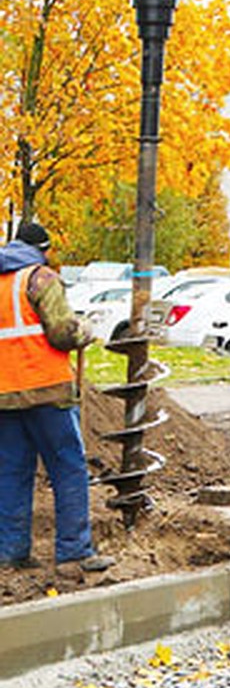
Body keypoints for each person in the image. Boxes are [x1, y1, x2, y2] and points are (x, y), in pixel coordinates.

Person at [0, 221, 113, 574]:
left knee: (12, 473)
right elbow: (62, 333)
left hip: (5, 394)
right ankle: (74, 554)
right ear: (43, 249)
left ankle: (11, 553)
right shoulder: (40, 278)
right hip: (48, 392)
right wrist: (86, 329)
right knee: (68, 469)